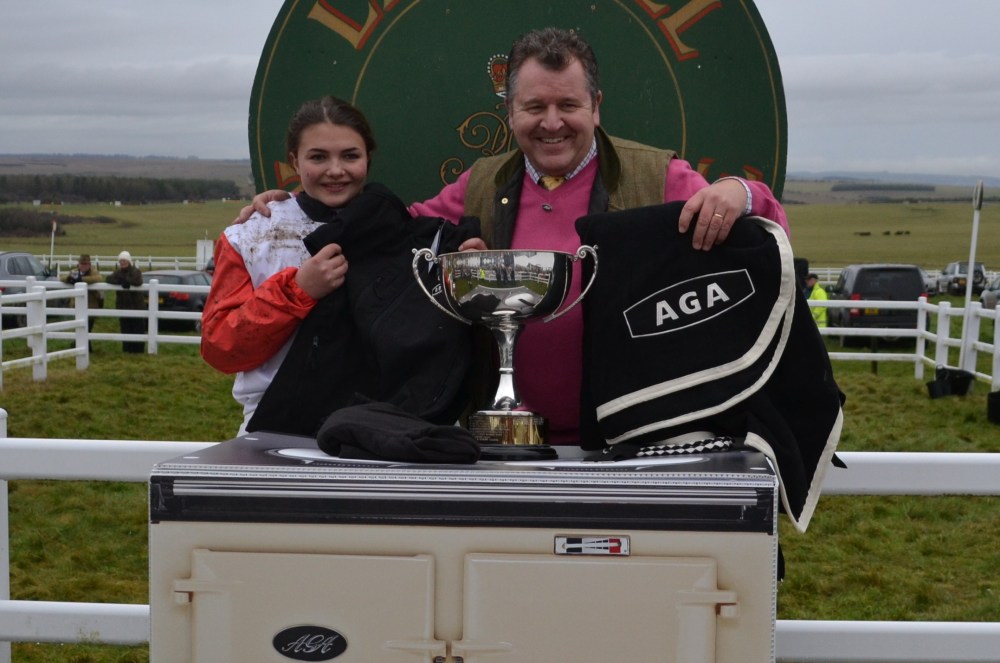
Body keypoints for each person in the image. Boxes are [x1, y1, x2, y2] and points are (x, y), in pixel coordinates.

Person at [238, 27, 790, 445]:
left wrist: (740, 192)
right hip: (502, 449)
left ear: (596, 108)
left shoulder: (659, 176)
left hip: (630, 443)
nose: (552, 122)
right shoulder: (481, 183)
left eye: (568, 105)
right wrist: (291, 212)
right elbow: (388, 231)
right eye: (534, 107)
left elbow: (766, 232)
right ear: (511, 113)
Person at [201, 96, 478, 436]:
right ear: (294, 161)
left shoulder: (406, 231)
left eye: (350, 156)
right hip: (277, 430)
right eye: (318, 157)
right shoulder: (250, 236)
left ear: (368, 159)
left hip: (387, 431)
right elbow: (221, 349)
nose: (336, 170)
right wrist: (297, 291)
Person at [105, 251, 145, 353]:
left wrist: (126, 281)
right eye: (121, 261)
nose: (122, 263)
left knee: (137, 329)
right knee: (125, 329)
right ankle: (127, 350)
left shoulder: (135, 271)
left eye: (124, 260)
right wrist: (121, 281)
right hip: (123, 305)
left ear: (129, 261)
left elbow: (137, 281)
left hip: (136, 306)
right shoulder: (118, 272)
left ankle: (138, 351)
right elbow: (108, 279)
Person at [62, 254, 104, 335]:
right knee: (79, 329)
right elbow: (61, 278)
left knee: (87, 330)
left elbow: (98, 278)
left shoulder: (93, 272)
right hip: (76, 305)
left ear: (89, 264)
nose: (83, 266)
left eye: (86, 264)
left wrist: (81, 279)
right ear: (78, 264)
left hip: (91, 305)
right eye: (82, 264)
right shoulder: (75, 272)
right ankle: (78, 345)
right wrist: (69, 279)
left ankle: (77, 345)